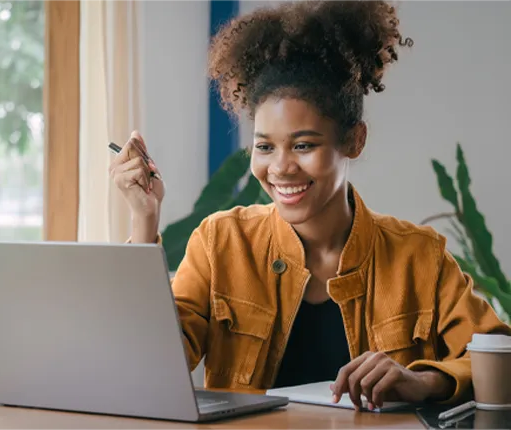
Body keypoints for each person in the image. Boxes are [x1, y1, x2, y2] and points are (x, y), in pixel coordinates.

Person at [109, 0, 511, 411]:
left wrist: (423, 381)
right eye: (265, 146)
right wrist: (144, 220)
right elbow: (145, 367)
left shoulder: (420, 257)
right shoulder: (220, 243)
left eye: (303, 145)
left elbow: (501, 356)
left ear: (354, 140)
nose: (280, 167)